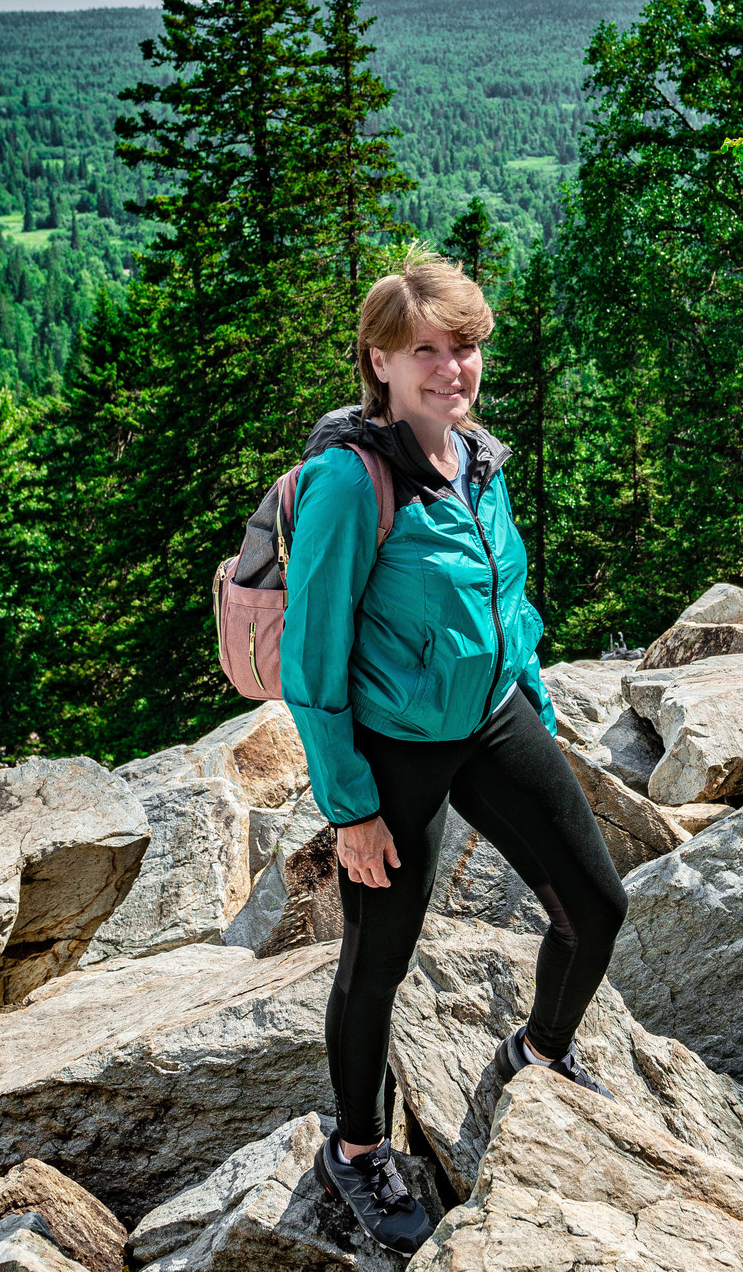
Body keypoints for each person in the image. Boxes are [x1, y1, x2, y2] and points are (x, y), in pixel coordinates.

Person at [282, 248, 626, 1253]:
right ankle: (354, 1148)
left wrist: (536, 705)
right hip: (392, 745)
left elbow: (505, 594)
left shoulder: (475, 455)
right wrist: (350, 806)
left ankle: (538, 1050)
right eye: (423, 349)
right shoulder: (350, 481)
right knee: (377, 955)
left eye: (464, 346)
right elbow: (312, 661)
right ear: (379, 362)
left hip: (491, 713)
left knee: (596, 904)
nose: (449, 367)